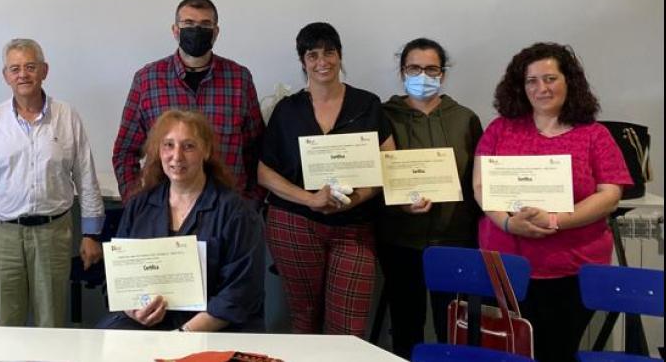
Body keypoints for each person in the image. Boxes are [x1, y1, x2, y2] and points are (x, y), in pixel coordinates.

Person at [474, 42, 630, 362]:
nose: (541, 88)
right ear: (520, 86)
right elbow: (481, 185)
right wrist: (506, 221)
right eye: (531, 80)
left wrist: (556, 220)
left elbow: (610, 194)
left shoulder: (594, 134)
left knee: (557, 352)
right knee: (509, 352)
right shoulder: (500, 129)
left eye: (550, 78)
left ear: (568, 81)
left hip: (572, 270)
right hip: (507, 267)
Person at [0, 38, 104, 327]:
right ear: (6, 76)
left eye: (30, 67)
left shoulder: (67, 116)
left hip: (53, 232)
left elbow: (85, 176)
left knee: (51, 319)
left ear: (44, 71)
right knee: (8, 319)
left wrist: (91, 234)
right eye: (15, 68)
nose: (23, 74)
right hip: (2, 234)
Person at [257, 21, 393, 336]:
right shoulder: (287, 110)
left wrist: (356, 198)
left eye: (329, 52)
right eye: (312, 55)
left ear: (340, 55)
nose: (322, 62)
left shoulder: (367, 104)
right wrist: (310, 199)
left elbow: (388, 163)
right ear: (303, 61)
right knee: (304, 318)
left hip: (354, 227)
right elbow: (264, 173)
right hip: (294, 224)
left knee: (348, 328)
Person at [97, 109, 264, 332]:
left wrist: (183, 335)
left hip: (212, 326)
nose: (177, 156)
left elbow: (241, 293)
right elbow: (117, 278)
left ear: (205, 151)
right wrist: (133, 310)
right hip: (146, 322)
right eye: (168, 145)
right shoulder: (139, 206)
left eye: (188, 146)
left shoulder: (235, 212)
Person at [376, 38, 483, 359]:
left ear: (442, 74)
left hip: (453, 239)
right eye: (414, 68)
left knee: (452, 327)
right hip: (399, 239)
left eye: (431, 69)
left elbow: (478, 179)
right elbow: (372, 173)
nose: (423, 75)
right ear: (402, 71)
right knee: (406, 325)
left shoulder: (465, 118)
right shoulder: (381, 115)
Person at [113, 0, 264, 202]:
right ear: (176, 31)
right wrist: (136, 203)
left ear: (215, 32)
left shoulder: (239, 79)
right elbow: (125, 151)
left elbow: (256, 150)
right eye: (189, 24)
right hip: (164, 210)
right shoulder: (147, 80)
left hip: (228, 210)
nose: (197, 30)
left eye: (205, 24)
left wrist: (250, 203)